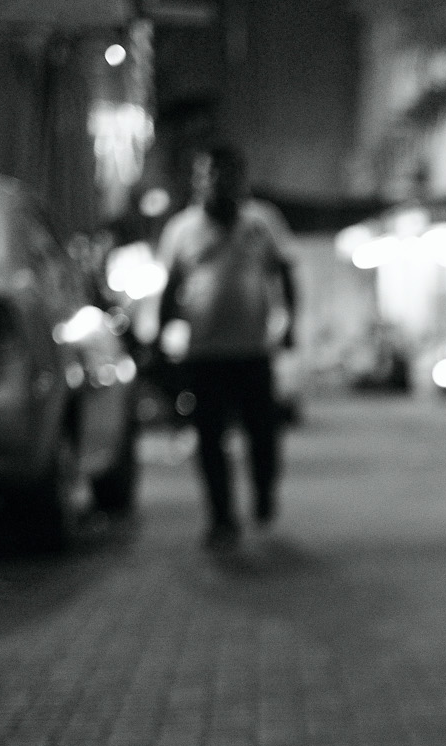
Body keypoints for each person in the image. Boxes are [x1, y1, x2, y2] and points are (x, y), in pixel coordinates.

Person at [154, 145, 298, 549]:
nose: (219, 182)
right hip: (205, 355)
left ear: (242, 178)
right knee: (210, 440)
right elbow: (171, 288)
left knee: (263, 434)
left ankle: (264, 493)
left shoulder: (262, 222)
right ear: (199, 180)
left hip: (252, 352)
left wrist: (289, 326)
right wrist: (161, 338)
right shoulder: (181, 230)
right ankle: (221, 517)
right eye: (210, 174)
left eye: (228, 174)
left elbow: (284, 274)